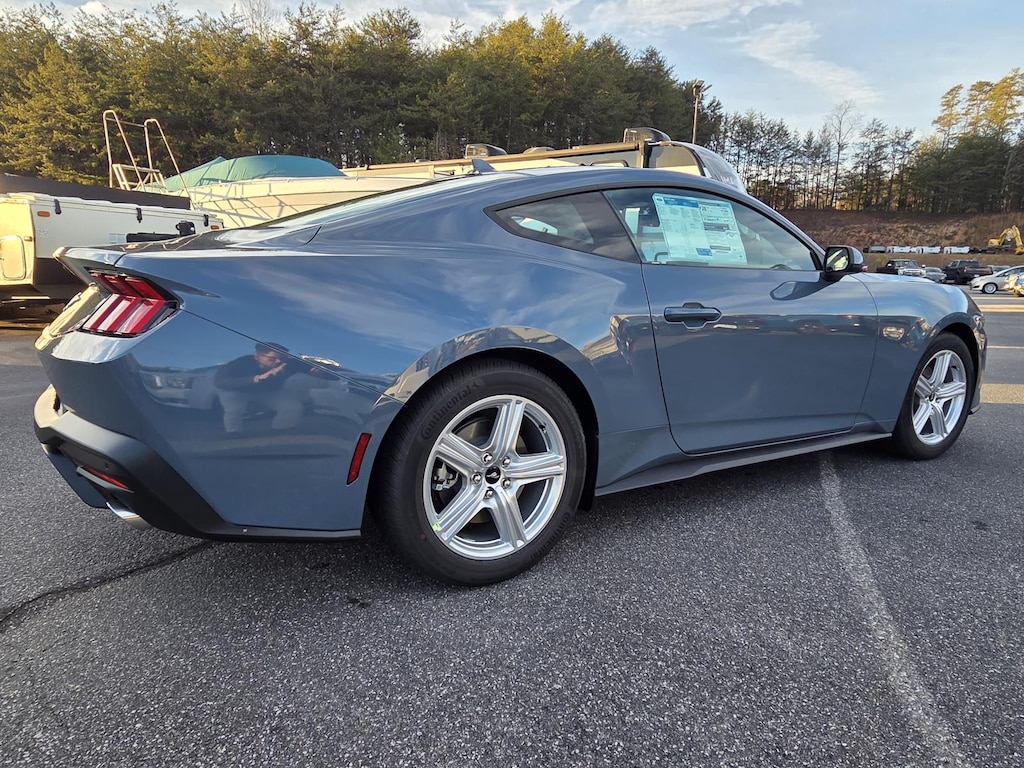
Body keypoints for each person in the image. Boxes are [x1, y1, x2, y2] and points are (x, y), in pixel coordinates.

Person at [213, 343, 317, 434]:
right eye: (272, 358)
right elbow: (220, 381)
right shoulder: (240, 363)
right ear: (257, 357)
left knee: (292, 406)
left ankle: (280, 430)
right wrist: (257, 378)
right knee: (234, 410)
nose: (278, 361)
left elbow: (311, 368)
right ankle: (233, 432)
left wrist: (316, 370)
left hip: (267, 391)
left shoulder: (287, 364)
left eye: (282, 358)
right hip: (237, 391)